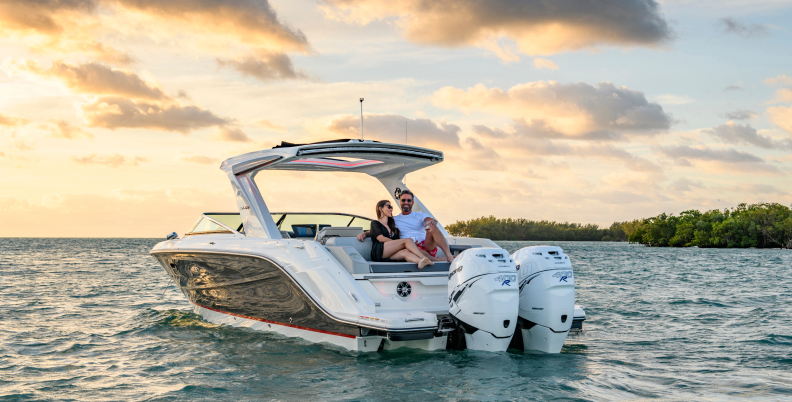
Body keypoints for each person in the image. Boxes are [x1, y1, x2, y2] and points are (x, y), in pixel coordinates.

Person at [359, 190, 455, 263]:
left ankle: (448, 255)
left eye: (409, 200)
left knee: (432, 227)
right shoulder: (394, 220)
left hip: (426, 244)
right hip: (411, 247)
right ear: (400, 202)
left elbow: (428, 220)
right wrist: (365, 234)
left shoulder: (419, 215)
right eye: (403, 200)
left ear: (412, 203)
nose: (406, 202)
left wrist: (431, 222)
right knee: (415, 248)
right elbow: (379, 229)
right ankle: (440, 259)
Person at [370, 200, 434, 269]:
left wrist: (409, 245)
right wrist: (400, 244)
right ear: (380, 208)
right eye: (388, 206)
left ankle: (420, 261)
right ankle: (423, 257)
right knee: (408, 240)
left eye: (391, 207)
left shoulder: (392, 225)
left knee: (406, 252)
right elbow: (380, 238)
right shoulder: (375, 223)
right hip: (379, 251)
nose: (391, 209)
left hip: (390, 253)